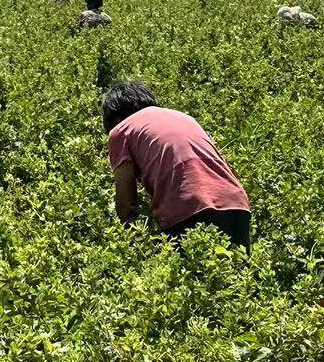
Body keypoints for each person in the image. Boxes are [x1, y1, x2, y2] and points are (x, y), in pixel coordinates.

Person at [101, 81, 251, 247]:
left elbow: (126, 202)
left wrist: (127, 243)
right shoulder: (184, 117)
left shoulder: (120, 130)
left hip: (187, 206)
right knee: (237, 269)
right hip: (236, 203)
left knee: (187, 271)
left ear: (114, 117)